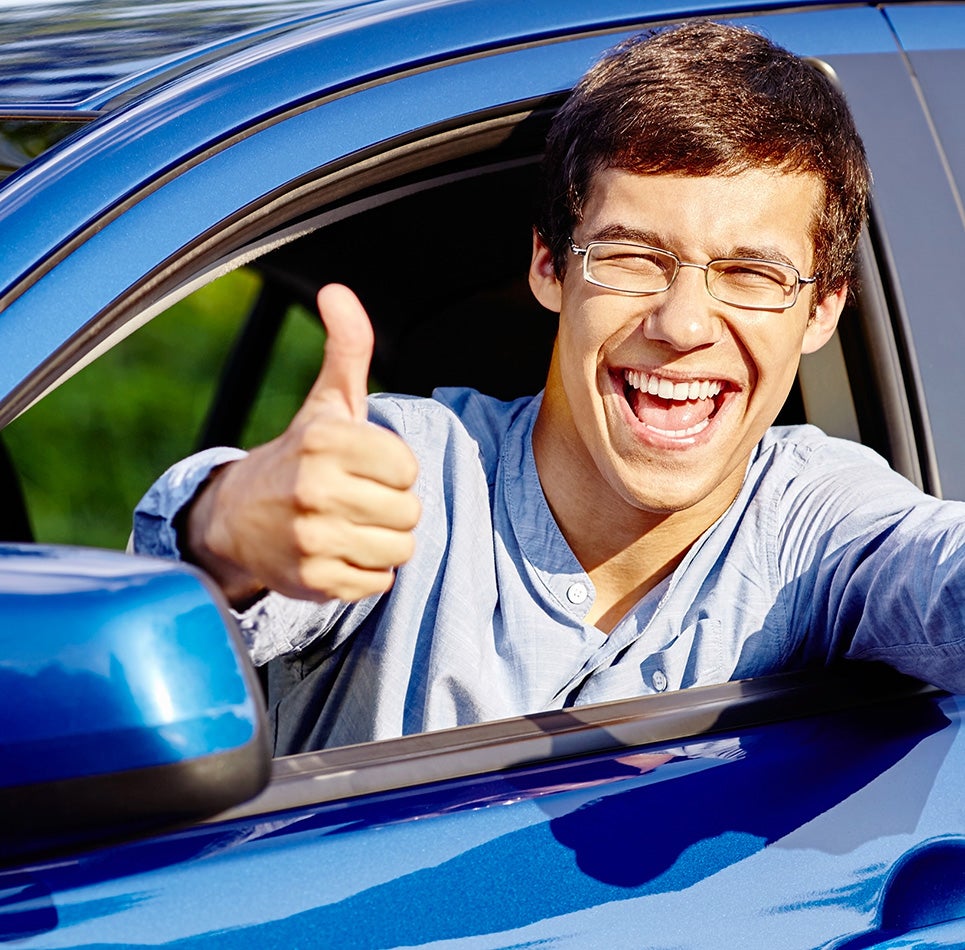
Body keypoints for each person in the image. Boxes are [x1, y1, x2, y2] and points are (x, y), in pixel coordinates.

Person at [134, 19, 965, 754]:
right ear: (547, 266)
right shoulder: (406, 468)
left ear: (820, 312)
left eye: (749, 274)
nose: (681, 325)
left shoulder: (819, 517)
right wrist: (227, 524)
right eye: (632, 257)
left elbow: (940, 573)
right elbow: (189, 605)